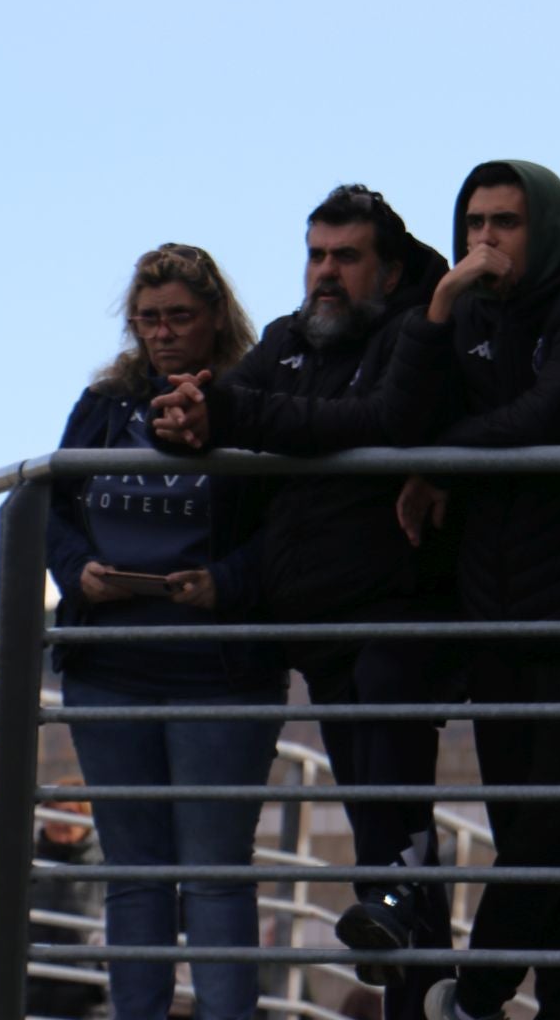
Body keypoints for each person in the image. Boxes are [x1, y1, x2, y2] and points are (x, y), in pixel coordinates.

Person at [149, 185, 455, 1020]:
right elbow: (227, 404)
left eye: (345, 257)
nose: (324, 273)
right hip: (317, 624)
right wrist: (186, 417)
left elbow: (379, 417)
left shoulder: (411, 334)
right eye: (316, 254)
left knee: (395, 825)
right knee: (377, 832)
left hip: (395, 613)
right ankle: (418, 983)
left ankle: (424, 967)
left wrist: (241, 412)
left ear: (386, 270)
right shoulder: (285, 341)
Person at [395, 160, 560, 1020]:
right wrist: (435, 312)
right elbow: (411, 416)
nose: (484, 241)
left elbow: (545, 418)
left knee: (550, 825)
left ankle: (475, 994)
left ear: (542, 227)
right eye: (473, 223)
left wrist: (442, 461)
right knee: (539, 851)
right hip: (495, 608)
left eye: (504, 222)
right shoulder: (465, 306)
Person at [44, 242, 287, 1020]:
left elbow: (292, 525)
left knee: (216, 872)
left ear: (216, 317)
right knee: (134, 872)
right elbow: (50, 507)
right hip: (109, 660)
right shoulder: (104, 405)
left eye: (179, 316)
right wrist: (77, 567)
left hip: (219, 667)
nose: (162, 333)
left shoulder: (257, 398)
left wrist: (227, 583)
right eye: (148, 319)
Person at [26, 780, 109, 1020]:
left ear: (86, 817)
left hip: (87, 999)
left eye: (70, 813)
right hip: (30, 994)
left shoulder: (106, 867)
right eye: (52, 811)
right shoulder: (25, 862)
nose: (60, 820)